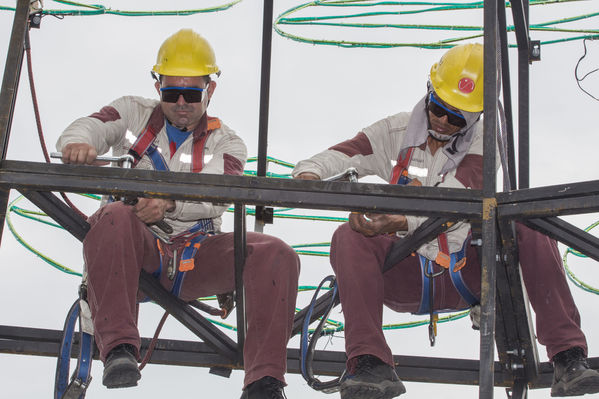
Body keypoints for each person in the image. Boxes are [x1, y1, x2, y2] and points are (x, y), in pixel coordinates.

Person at [293, 43, 599, 398]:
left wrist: (398, 220)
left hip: (469, 273)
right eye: (437, 108)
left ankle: (568, 356)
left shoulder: (485, 143)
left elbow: (456, 200)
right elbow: (342, 153)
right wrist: (310, 175)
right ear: (428, 91)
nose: (442, 121)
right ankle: (368, 363)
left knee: (530, 223)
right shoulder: (396, 132)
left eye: (457, 118)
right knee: (349, 237)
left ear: (475, 117)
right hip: (406, 271)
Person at [56, 29, 299, 399]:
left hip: (198, 253)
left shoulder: (227, 142)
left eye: (193, 93)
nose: (182, 102)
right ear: (158, 89)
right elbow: (90, 125)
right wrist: (78, 144)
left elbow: (221, 192)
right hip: (134, 251)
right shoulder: (131, 113)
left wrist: (169, 203)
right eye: (172, 93)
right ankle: (120, 348)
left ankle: (264, 381)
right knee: (115, 216)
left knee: (276, 254)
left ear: (210, 91)